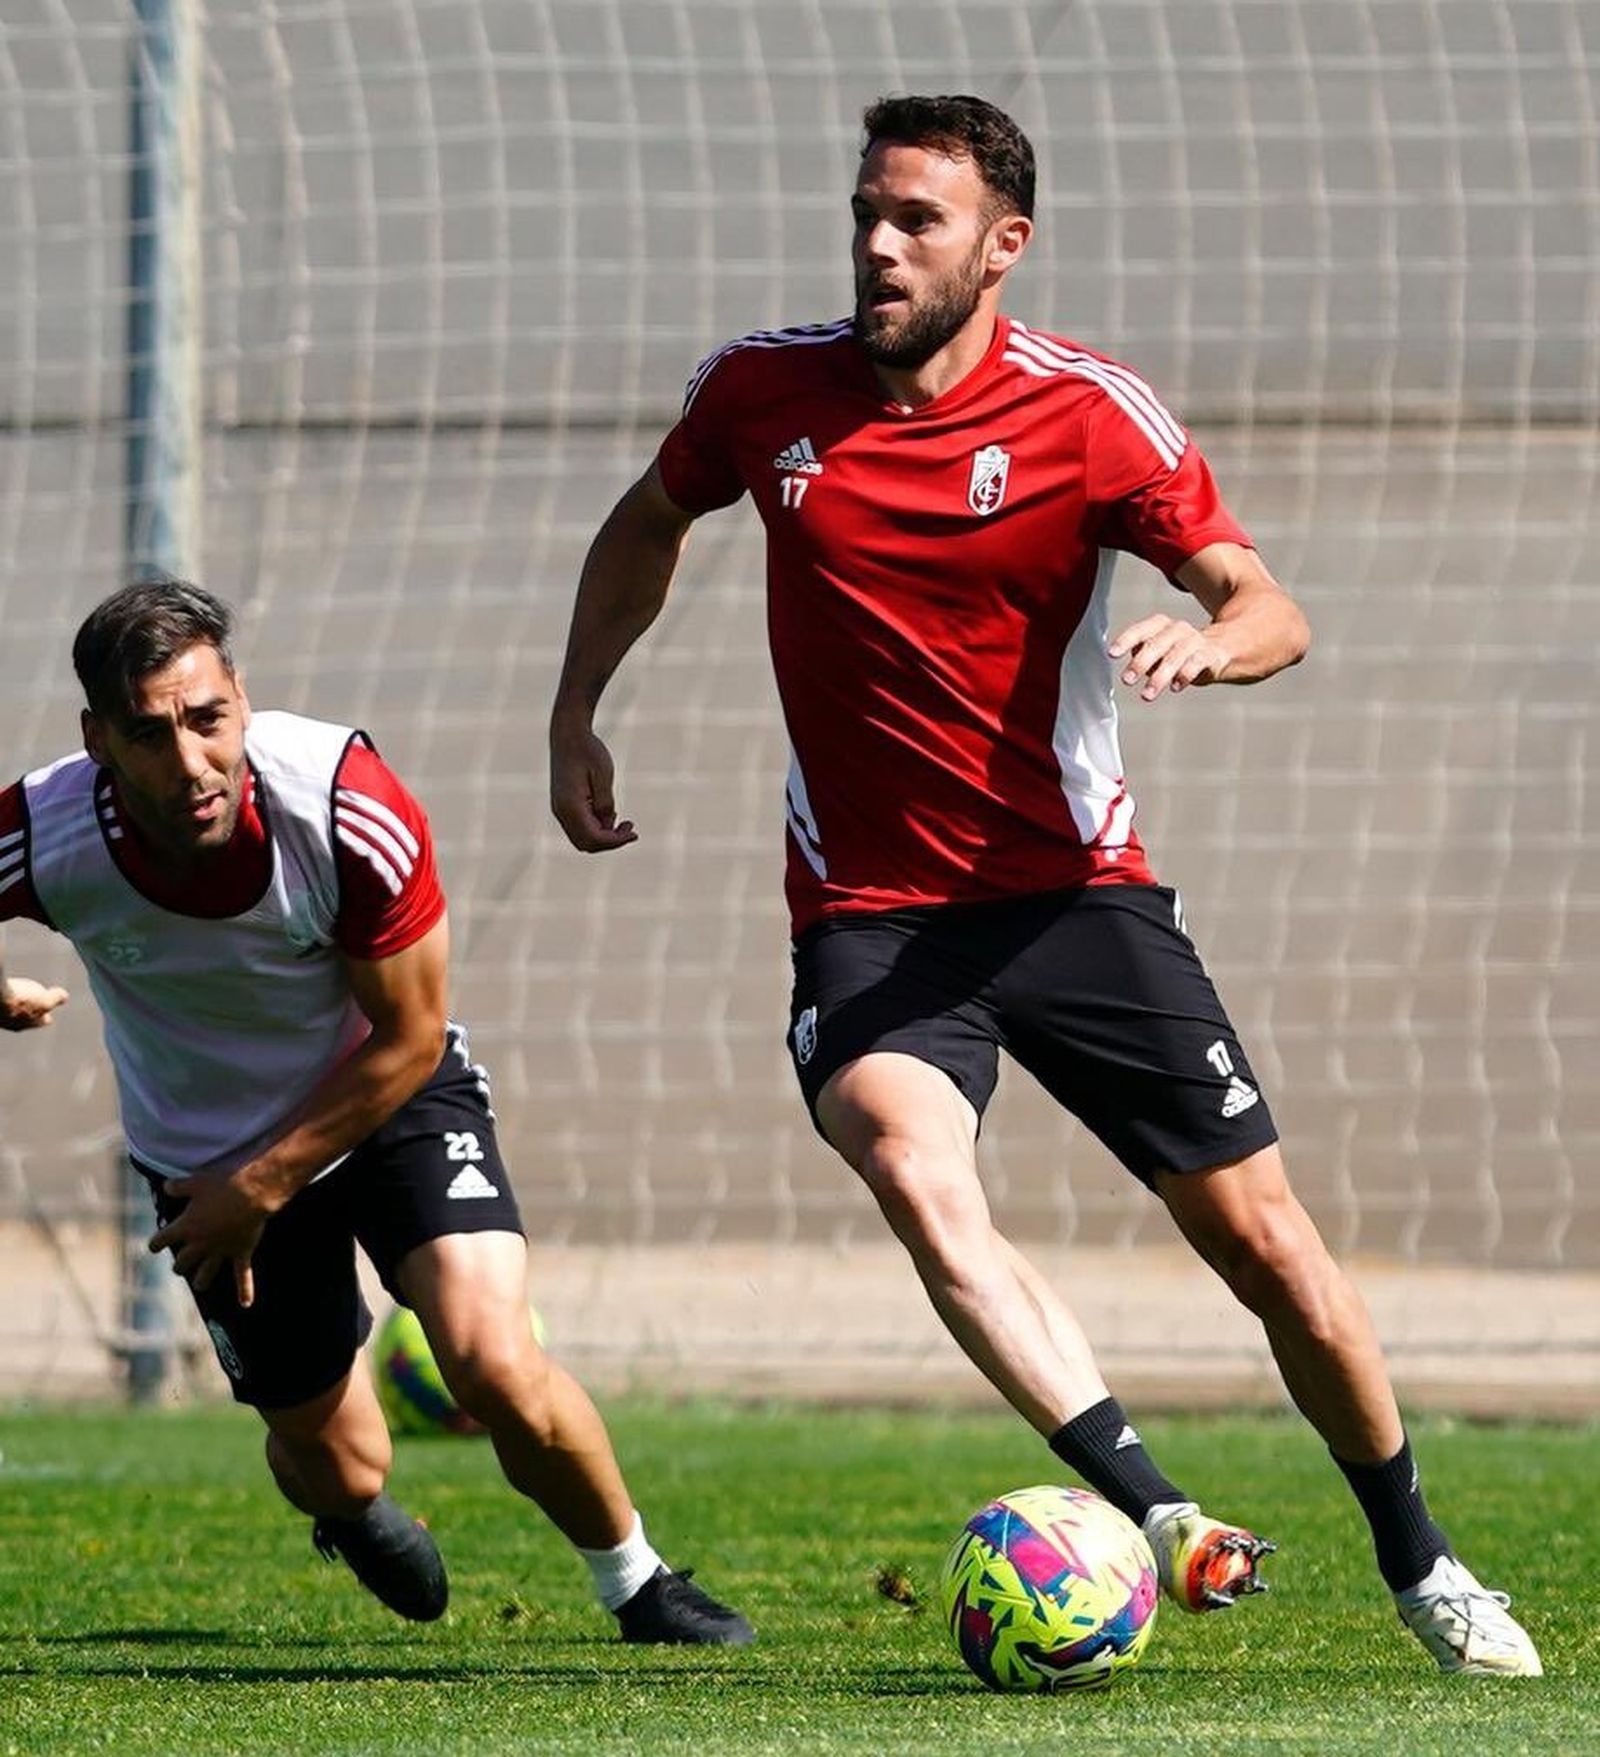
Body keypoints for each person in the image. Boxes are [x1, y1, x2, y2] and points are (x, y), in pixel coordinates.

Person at [548, 94, 1539, 1676]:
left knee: (1268, 1247)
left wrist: (1213, 643)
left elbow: (1265, 596)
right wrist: (576, 708)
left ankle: (1422, 1559)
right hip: (871, 918)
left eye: (916, 220)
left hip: (1078, 900)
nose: (877, 243)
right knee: (911, 1163)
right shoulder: (761, 391)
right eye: (866, 210)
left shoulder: (1091, 414)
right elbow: (651, 519)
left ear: (1003, 245)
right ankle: (1158, 1517)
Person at [0, 577, 752, 1647]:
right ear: (99, 741)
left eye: (207, 719)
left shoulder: (344, 804)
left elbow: (409, 1035)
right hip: (209, 1156)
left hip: (386, 1094)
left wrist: (262, 1187)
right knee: (336, 1456)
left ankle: (638, 1581)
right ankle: (347, 1510)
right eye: (149, 733)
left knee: (492, 1358)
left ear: (240, 701)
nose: (190, 760)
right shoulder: (47, 828)